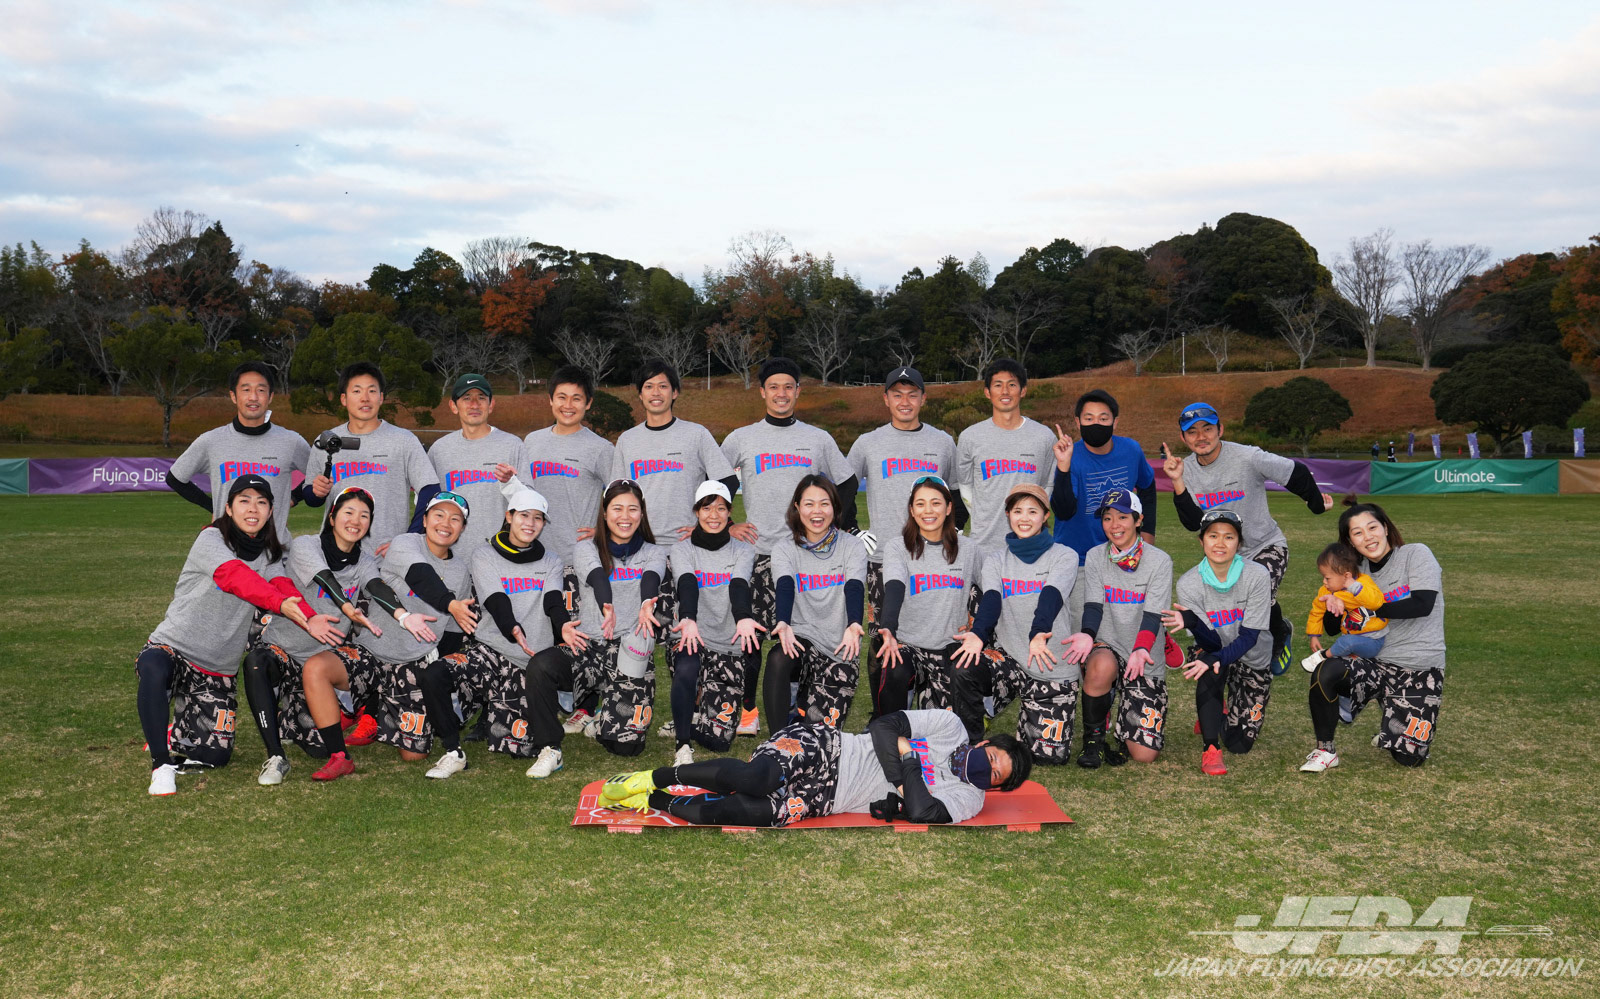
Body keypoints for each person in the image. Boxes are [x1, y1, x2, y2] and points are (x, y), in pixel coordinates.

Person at [135, 474, 338, 795]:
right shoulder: (211, 538)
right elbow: (235, 576)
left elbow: (280, 585)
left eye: (261, 502)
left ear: (270, 511)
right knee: (153, 666)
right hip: (175, 647)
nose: (252, 509)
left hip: (217, 666)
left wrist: (309, 617)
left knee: (214, 756)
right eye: (244, 501)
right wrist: (279, 603)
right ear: (228, 508)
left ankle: (177, 730)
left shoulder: (269, 553)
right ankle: (161, 765)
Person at [721, 357, 858, 734]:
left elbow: (846, 483)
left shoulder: (817, 438)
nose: (781, 393)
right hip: (758, 554)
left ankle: (797, 707)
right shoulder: (742, 438)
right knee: (750, 637)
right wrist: (729, 524)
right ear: (762, 392)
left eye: (788, 387)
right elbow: (715, 483)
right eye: (773, 387)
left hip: (805, 558)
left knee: (799, 636)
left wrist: (834, 527)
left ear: (798, 391)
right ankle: (747, 711)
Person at [596, 709, 1031, 827]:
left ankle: (654, 800)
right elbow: (882, 727)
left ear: (994, 788)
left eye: (996, 775)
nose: (988, 770)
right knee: (756, 779)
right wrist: (904, 780)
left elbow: (922, 812)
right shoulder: (950, 728)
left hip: (827, 799)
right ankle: (654, 777)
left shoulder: (969, 798)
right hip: (827, 747)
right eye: (993, 758)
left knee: (746, 813)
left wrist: (908, 758)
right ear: (985, 743)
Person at [1163, 400, 1334, 674]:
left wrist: (1315, 504)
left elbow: (1295, 472)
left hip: (1265, 546)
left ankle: (1279, 633)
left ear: (1220, 429)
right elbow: (1194, 522)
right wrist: (1177, 481)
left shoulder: (1247, 456)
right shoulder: (1186, 470)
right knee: (1233, 608)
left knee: (1258, 589)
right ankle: (1240, 649)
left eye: (1207, 428)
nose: (1201, 436)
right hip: (1223, 555)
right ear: (1183, 438)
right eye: (1192, 432)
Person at [240, 485, 395, 785]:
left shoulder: (365, 561)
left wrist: (403, 615)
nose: (356, 520)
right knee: (256, 662)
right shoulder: (306, 546)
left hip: (321, 662)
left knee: (319, 746)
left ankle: (305, 724)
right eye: (349, 512)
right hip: (284, 651)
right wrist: (346, 606)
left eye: (364, 515)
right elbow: (324, 577)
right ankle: (275, 756)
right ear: (332, 517)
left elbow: (376, 585)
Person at [845, 366, 964, 709]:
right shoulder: (868, 443)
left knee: (933, 633)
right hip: (883, 557)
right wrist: (853, 530)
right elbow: (842, 491)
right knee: (884, 635)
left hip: (934, 558)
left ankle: (930, 706)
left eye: (912, 394)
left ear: (924, 398)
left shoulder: (942, 442)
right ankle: (884, 712)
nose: (905, 401)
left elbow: (956, 495)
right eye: (897, 394)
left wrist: (953, 532)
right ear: (886, 399)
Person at [1302, 499, 1446, 773]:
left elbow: (1422, 605)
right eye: (1357, 533)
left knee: (1408, 759)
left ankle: (1392, 721)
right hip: (1373, 663)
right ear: (1350, 542)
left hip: (1418, 666)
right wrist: (1334, 601)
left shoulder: (1416, 554)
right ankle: (1325, 750)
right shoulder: (1354, 574)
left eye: (1372, 527)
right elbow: (1333, 628)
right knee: (1326, 670)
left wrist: (1368, 603)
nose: (1367, 537)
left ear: (1386, 528)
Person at [609, 360, 739, 656]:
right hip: (640, 551)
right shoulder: (628, 440)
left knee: (684, 637)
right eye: (648, 386)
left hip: (686, 549)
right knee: (636, 636)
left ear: (675, 392)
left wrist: (704, 523)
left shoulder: (696, 434)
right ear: (640, 394)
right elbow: (616, 494)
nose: (656, 393)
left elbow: (727, 481)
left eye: (663, 386)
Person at [352, 491, 483, 779]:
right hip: (373, 652)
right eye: (438, 515)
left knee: (414, 754)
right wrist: (449, 602)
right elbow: (421, 575)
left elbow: (453, 630)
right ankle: (361, 708)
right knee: (324, 671)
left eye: (455, 519)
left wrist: (440, 680)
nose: (445, 523)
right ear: (424, 520)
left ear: (462, 528)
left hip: (413, 663)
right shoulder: (405, 543)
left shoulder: (461, 571)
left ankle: (387, 710)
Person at [460, 487, 586, 779]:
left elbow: (553, 601)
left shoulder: (551, 560)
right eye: (524, 515)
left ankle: (503, 711)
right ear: (509, 516)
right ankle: (468, 715)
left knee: (519, 745)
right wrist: (512, 627)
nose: (530, 523)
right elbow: (496, 600)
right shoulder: (483, 554)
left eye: (538, 518)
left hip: (531, 657)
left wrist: (562, 625)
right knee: (446, 673)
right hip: (494, 649)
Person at [951, 483, 1081, 765]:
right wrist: (977, 634)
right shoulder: (996, 560)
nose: (1024, 518)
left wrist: (1038, 633)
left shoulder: (1064, 555)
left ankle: (1031, 715)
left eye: (1033, 511)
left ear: (1045, 516)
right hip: (1010, 660)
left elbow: (1051, 596)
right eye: (1018, 510)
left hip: (1050, 664)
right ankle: (971, 745)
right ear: (1008, 514)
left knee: (1047, 759)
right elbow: (991, 600)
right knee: (965, 667)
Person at [1060, 489, 1173, 768]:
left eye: (1122, 517)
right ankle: (1093, 741)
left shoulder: (1159, 560)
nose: (1114, 525)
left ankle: (1123, 708)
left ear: (1138, 520)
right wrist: (1087, 635)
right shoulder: (1096, 556)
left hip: (1143, 652)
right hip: (1108, 644)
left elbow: (1153, 615)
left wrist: (1141, 648)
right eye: (1107, 518)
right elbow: (1093, 606)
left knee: (1144, 755)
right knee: (1100, 666)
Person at [1160, 509, 1274, 777]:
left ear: (1239, 543)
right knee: (1207, 665)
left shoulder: (1257, 575)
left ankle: (1219, 714)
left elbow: (1249, 637)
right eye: (1213, 536)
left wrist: (1217, 657)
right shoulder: (1189, 583)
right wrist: (1193, 622)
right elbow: (1210, 642)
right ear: (1201, 541)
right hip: (1213, 648)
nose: (1220, 543)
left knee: (1239, 744)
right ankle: (1210, 748)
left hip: (1252, 653)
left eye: (1229, 536)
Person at [666, 481, 764, 764]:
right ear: (696, 512)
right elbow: (687, 583)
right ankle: (683, 744)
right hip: (692, 633)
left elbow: (738, 585)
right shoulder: (682, 549)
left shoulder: (743, 550)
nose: (713, 515)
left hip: (726, 643)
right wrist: (689, 619)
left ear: (729, 512)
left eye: (720, 508)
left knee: (719, 741)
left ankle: (692, 715)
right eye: (706, 508)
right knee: (687, 666)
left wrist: (743, 617)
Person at [570, 478, 669, 757]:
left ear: (642, 513)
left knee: (626, 747)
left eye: (632, 509)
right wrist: (607, 606)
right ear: (604, 513)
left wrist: (647, 603)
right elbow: (597, 576)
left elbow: (651, 578)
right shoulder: (586, 548)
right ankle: (580, 705)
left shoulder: (654, 551)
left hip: (629, 648)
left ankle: (603, 718)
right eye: (617, 508)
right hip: (590, 645)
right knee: (545, 667)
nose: (625, 516)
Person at [871, 475, 984, 716]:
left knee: (943, 727)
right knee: (895, 666)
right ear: (912, 510)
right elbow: (894, 587)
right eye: (920, 504)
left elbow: (994, 591)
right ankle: (891, 728)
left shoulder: (969, 549)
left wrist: (978, 630)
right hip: (909, 645)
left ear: (949, 507)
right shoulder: (898, 547)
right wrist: (888, 627)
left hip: (950, 647)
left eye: (936, 503)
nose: (928, 510)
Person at [764, 474, 869, 731]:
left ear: (835, 507)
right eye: (809, 504)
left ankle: (800, 706)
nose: (817, 511)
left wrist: (854, 623)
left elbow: (854, 586)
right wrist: (783, 622)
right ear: (797, 507)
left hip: (839, 646)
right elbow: (785, 585)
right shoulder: (784, 548)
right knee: (779, 657)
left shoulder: (852, 546)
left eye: (824, 503)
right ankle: (777, 741)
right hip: (803, 637)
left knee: (819, 735)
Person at [165, 361, 313, 539]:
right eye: (246, 390)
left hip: (274, 546)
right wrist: (214, 508)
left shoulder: (292, 442)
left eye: (261, 390)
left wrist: (292, 498)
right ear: (233, 396)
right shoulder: (211, 441)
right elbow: (175, 478)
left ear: (270, 396)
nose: (253, 397)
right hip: (227, 547)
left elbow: (319, 476)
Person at [304, 362, 438, 552]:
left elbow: (430, 489)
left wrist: (409, 539)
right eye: (357, 391)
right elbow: (311, 499)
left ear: (381, 397)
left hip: (386, 555)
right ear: (344, 399)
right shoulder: (327, 441)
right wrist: (316, 491)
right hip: (336, 553)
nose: (365, 398)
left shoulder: (403, 440)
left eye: (372, 391)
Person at [511, 365, 615, 568]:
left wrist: (606, 531)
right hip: (533, 553)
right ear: (551, 399)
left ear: (588, 403)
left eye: (576, 398)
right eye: (561, 397)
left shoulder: (601, 448)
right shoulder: (532, 441)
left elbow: (622, 496)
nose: (568, 405)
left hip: (577, 560)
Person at [955, 358, 1059, 549]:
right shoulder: (970, 437)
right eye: (998, 385)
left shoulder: (1044, 437)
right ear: (987, 392)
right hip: (984, 543)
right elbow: (965, 485)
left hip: (1029, 544)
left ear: (1023, 390)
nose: (1005, 391)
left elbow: (1047, 486)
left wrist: (1032, 519)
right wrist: (980, 516)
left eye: (1012, 385)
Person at [425, 373, 522, 531]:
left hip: (498, 545)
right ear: (453, 406)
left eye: (481, 398)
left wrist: (511, 483)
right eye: (467, 398)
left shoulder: (513, 445)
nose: (475, 405)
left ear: (491, 405)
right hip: (451, 544)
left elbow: (528, 502)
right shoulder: (439, 449)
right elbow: (425, 502)